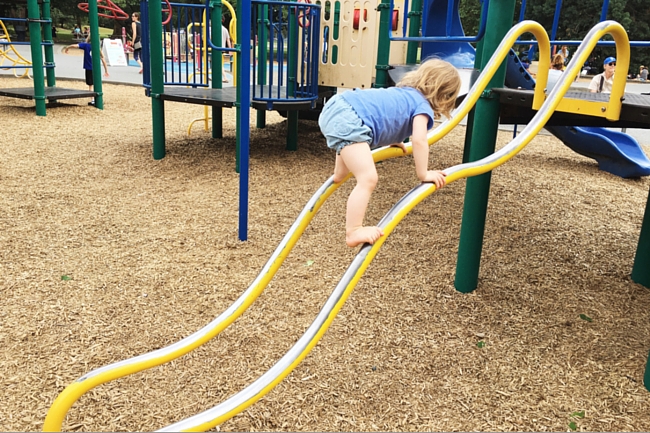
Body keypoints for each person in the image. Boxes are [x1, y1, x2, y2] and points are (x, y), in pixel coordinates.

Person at [318, 58, 460, 247]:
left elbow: (384, 113)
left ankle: (340, 173)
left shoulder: (405, 94)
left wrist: (395, 138)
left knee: (348, 143)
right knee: (368, 179)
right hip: (350, 119)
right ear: (444, 95)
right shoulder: (422, 107)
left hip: (336, 106)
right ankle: (353, 231)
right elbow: (419, 140)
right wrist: (424, 173)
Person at [64, 36, 109, 106]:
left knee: (90, 85)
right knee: (97, 84)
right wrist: (106, 70)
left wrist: (67, 48)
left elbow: (74, 45)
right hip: (96, 69)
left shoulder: (86, 45)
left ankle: (93, 100)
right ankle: (99, 99)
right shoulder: (97, 48)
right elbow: (103, 59)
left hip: (89, 68)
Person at [221, 16, 232, 83]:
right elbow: (228, 40)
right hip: (222, 49)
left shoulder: (214, 28)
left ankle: (225, 77)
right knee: (217, 63)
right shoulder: (225, 29)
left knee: (219, 64)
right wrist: (230, 50)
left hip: (216, 48)